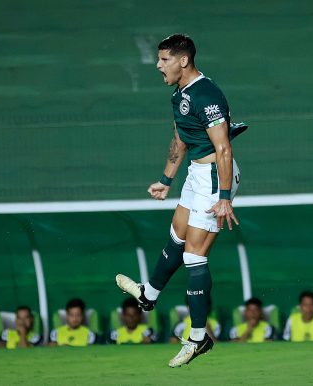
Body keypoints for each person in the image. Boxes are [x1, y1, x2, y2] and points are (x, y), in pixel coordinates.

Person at [115, 33, 242, 367]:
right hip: (195, 175)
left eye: (164, 59)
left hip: (215, 178)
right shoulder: (180, 94)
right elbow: (180, 139)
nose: (158, 66)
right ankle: (149, 293)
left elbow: (224, 147)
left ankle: (198, 338)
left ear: (183, 60)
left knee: (194, 256)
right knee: (177, 232)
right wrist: (165, 179)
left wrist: (225, 197)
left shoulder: (206, 93)